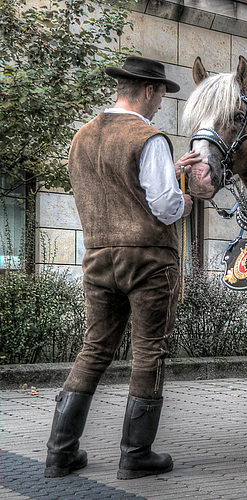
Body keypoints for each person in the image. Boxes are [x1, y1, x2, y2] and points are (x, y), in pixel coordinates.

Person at [44, 56, 213, 479]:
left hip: (99, 256)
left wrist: (163, 172)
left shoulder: (82, 136)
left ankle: (59, 453)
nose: (160, 104)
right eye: (160, 95)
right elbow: (165, 206)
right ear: (147, 90)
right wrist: (187, 198)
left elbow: (116, 186)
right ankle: (135, 455)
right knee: (149, 349)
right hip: (148, 261)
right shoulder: (148, 136)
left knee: (95, 348)